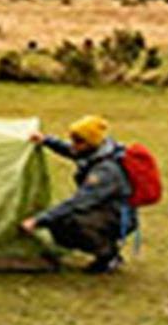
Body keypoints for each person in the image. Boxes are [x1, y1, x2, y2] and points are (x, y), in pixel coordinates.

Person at [21, 114, 135, 274]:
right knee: (59, 222)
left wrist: (38, 220)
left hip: (116, 215)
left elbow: (79, 202)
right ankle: (105, 248)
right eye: (73, 139)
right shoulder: (94, 151)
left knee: (73, 222)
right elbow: (69, 149)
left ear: (91, 143)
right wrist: (45, 140)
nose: (74, 145)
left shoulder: (106, 171)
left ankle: (108, 255)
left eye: (78, 141)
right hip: (102, 209)